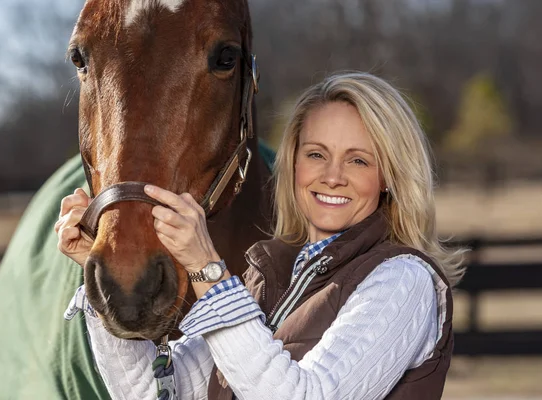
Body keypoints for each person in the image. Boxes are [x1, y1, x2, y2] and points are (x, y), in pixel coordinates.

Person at [56, 72, 466, 400]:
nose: (333, 177)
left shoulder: (403, 280)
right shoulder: (265, 278)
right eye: (316, 154)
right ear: (293, 164)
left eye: (358, 160)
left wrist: (206, 270)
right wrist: (102, 291)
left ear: (389, 177)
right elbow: (155, 393)